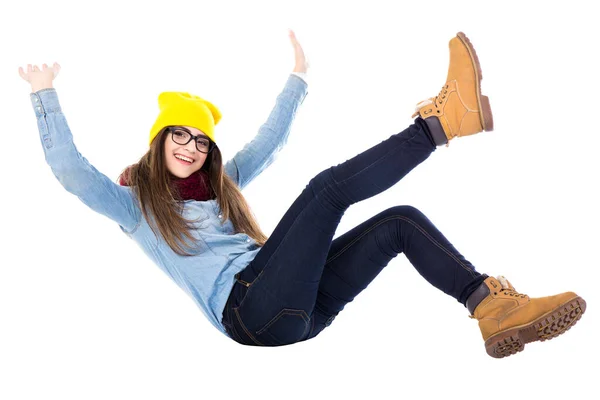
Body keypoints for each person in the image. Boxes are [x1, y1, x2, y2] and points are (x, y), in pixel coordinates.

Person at [19, 30, 586, 359]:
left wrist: (298, 79)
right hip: (249, 311)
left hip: (298, 314)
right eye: (179, 136)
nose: (192, 147)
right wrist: (44, 95)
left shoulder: (221, 189)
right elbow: (71, 171)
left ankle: (490, 307)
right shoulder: (137, 208)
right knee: (327, 190)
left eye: (201, 140)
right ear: (158, 143)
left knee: (400, 223)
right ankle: (442, 124)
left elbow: (268, 143)